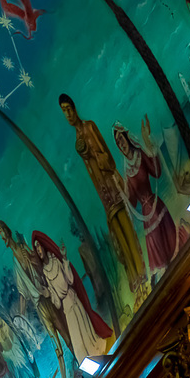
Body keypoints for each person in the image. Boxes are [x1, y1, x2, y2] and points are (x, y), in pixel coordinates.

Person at [59, 94, 146, 297]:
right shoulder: (76, 140)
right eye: (64, 111)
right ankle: (133, 277)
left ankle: (140, 272)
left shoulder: (89, 127)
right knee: (118, 235)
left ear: (74, 108)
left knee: (127, 228)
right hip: (103, 195)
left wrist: (93, 156)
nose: (68, 113)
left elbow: (107, 158)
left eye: (69, 108)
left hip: (112, 187)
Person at [0, 220, 69, 378]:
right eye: (1, 237)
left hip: (47, 297)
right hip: (39, 305)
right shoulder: (15, 263)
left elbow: (38, 263)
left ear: (8, 233)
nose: (4, 239)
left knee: (65, 333)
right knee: (56, 345)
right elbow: (22, 293)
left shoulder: (23, 248)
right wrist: (20, 318)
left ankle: (77, 365)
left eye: (3, 234)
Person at [114, 120, 183, 275]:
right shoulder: (126, 171)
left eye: (121, 139)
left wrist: (147, 140)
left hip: (158, 209)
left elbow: (156, 172)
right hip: (148, 220)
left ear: (127, 138)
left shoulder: (140, 155)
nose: (121, 144)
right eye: (117, 142)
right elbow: (132, 202)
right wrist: (121, 189)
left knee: (174, 251)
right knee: (164, 263)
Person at [31, 232, 112, 361]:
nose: (38, 250)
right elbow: (57, 302)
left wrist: (64, 259)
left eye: (39, 246)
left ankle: (99, 356)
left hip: (74, 300)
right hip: (67, 308)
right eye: (36, 248)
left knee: (89, 337)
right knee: (78, 342)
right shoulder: (46, 273)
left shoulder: (56, 262)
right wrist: (48, 293)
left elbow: (70, 280)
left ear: (44, 246)